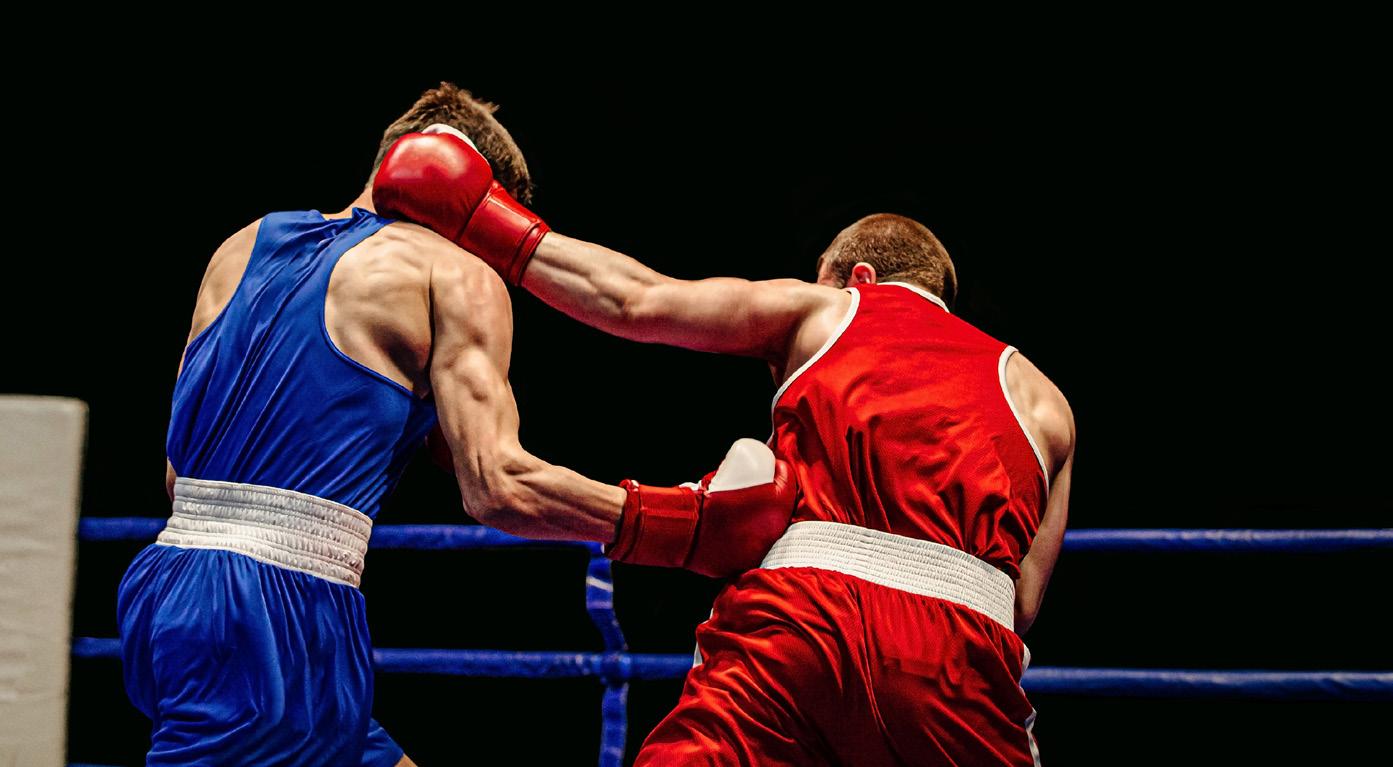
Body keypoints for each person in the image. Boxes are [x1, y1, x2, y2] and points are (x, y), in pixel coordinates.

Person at [117, 84, 794, 767]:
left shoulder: (243, 244)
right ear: (477, 200)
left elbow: (178, 474)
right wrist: (683, 526)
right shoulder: (454, 272)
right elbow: (497, 486)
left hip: (166, 585)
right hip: (276, 610)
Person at [374, 129, 1075, 765]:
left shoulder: (830, 307)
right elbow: (1019, 603)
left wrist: (481, 216)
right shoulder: (1046, 402)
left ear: (853, 275)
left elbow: (635, 300)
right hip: (961, 658)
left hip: (806, 623)